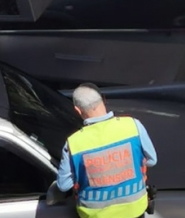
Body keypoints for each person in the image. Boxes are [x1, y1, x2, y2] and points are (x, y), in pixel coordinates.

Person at [53, 83, 157, 218]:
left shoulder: (74, 142)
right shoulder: (133, 125)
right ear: (104, 99)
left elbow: (63, 185)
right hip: (135, 211)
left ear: (78, 110)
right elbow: (152, 160)